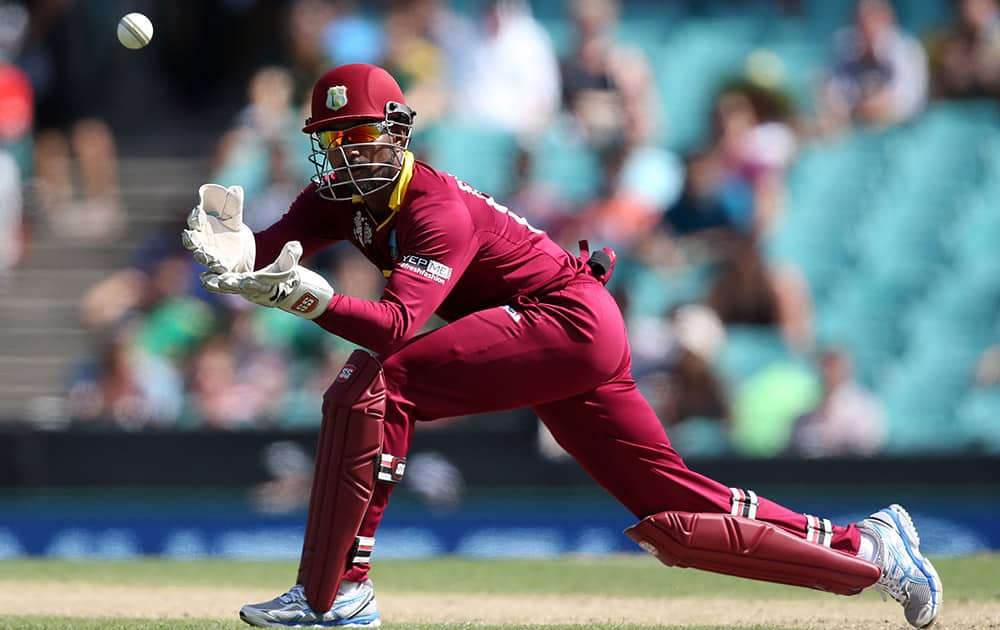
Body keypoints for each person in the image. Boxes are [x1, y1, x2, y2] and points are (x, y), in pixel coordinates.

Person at [182, 63, 940, 629]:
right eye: (335, 140)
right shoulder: (331, 198)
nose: (351, 154)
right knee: (673, 519)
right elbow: (261, 251)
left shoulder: (433, 208)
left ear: (398, 134)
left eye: (364, 136)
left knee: (376, 384)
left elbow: (398, 327)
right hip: (561, 333)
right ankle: (869, 549)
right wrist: (228, 250)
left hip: (564, 322)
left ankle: (338, 590)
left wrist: (307, 299)